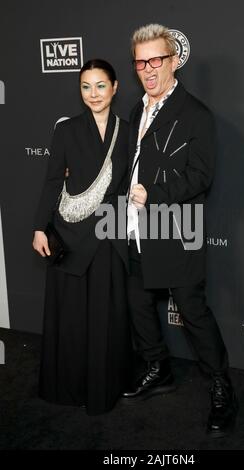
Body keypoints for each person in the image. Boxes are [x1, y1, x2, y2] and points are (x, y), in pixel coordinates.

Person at [123, 24, 238, 437]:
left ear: (173, 61)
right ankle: (158, 368)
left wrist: (153, 193)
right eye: (141, 62)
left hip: (175, 226)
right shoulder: (136, 110)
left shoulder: (195, 114)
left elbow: (201, 177)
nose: (149, 69)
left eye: (157, 60)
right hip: (135, 227)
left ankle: (222, 388)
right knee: (137, 302)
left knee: (193, 312)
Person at [32, 59, 132, 415]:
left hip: (108, 236)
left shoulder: (130, 130)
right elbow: (52, 181)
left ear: (115, 87)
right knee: (72, 317)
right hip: (70, 235)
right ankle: (67, 386)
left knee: (106, 317)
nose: (94, 94)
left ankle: (106, 387)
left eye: (101, 85)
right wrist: (40, 227)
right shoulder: (67, 130)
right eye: (86, 87)